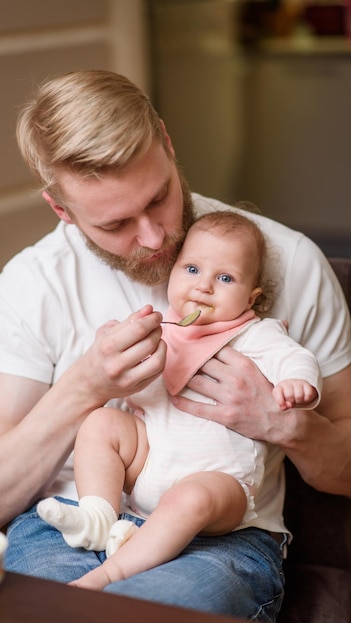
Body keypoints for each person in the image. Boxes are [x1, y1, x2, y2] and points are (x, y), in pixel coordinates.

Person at [0, 70, 351, 623]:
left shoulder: (289, 261)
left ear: (168, 146)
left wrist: (282, 422)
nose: (153, 238)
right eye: (117, 222)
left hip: (218, 538)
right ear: (62, 210)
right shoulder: (33, 285)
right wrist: (84, 388)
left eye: (160, 197)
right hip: (71, 524)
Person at [36, 210, 322, 592]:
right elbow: (132, 396)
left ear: (251, 296)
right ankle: (98, 517)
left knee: (192, 497)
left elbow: (296, 358)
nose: (203, 286)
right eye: (191, 269)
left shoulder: (254, 334)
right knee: (100, 424)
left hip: (219, 484)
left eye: (224, 278)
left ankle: (110, 573)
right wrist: (114, 360)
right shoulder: (161, 331)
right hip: (149, 463)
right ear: (172, 272)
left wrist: (297, 382)